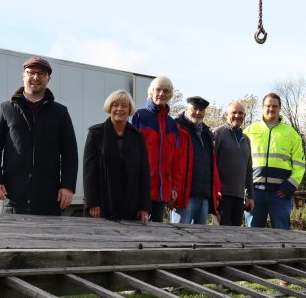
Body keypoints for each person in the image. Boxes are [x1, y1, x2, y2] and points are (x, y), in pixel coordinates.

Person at [0, 56, 78, 298]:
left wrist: (67, 186)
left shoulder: (60, 112)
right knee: (14, 255)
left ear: (48, 79)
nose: (35, 77)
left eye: (41, 73)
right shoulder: (6, 109)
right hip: (14, 196)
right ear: (23, 75)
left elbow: (70, 153)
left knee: (41, 255)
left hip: (47, 198)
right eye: (30, 72)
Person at [83, 90, 151, 224]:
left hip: (130, 206)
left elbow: (144, 173)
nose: (119, 109)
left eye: (124, 106)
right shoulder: (95, 134)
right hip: (100, 205)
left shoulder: (138, 137)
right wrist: (92, 203)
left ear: (129, 109)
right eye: (115, 105)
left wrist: (145, 207)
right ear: (110, 108)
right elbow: (89, 171)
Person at [243, 93, 305, 230]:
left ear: (280, 108)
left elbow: (300, 165)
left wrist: (290, 186)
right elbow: (240, 160)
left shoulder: (291, 134)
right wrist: (244, 187)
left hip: (280, 193)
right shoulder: (250, 130)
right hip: (254, 192)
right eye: (268, 106)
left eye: (275, 106)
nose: (271, 109)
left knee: (282, 233)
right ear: (262, 107)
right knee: (251, 233)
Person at [129, 76, 182, 222]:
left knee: (157, 237)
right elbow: (128, 154)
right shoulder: (137, 116)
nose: (161, 93)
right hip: (140, 191)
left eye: (166, 91)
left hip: (162, 194)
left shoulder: (172, 125)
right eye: (158, 89)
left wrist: (174, 188)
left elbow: (176, 161)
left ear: (170, 95)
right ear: (151, 92)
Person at [171, 96, 221, 224]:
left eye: (201, 110)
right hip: (183, 195)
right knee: (180, 237)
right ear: (186, 108)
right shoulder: (176, 128)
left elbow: (212, 165)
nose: (198, 113)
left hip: (203, 195)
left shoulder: (207, 133)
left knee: (200, 239)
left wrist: (215, 191)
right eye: (194, 109)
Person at [213, 102, 254, 226]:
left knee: (235, 236)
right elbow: (211, 167)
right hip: (222, 197)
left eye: (240, 113)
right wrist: (215, 195)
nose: (237, 116)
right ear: (226, 115)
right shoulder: (218, 134)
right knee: (220, 238)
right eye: (234, 113)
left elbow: (248, 170)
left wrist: (250, 196)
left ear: (245, 115)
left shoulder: (246, 140)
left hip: (239, 198)